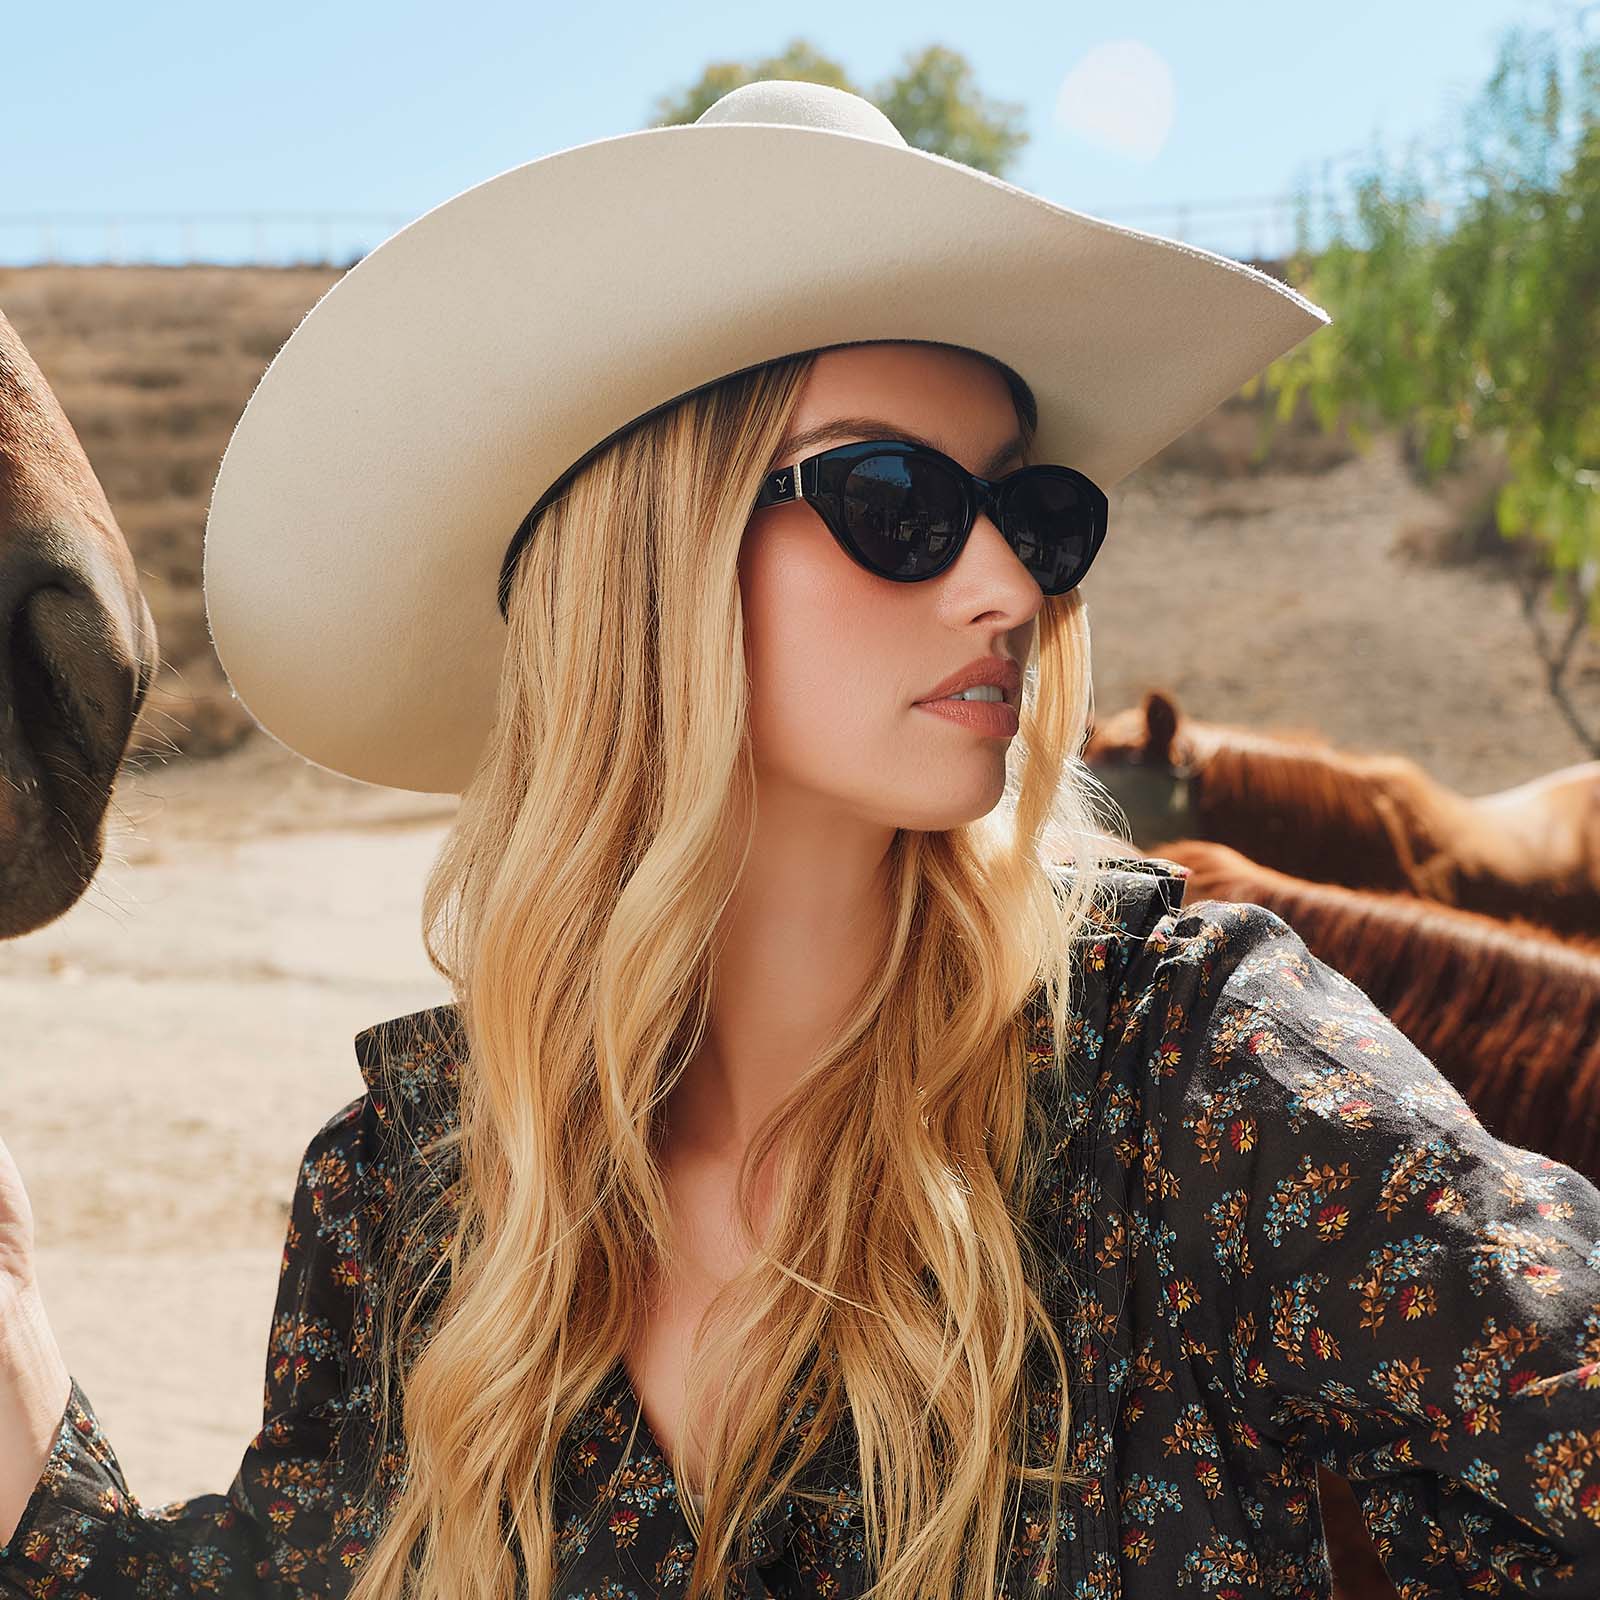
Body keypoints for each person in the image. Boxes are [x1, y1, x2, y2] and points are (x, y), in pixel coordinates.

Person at [3, 77, 1597, 1600]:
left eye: (1034, 515)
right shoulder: (412, 1192)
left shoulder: (1187, 1078)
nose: (1009, 587)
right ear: (654, 551)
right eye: (900, 497)